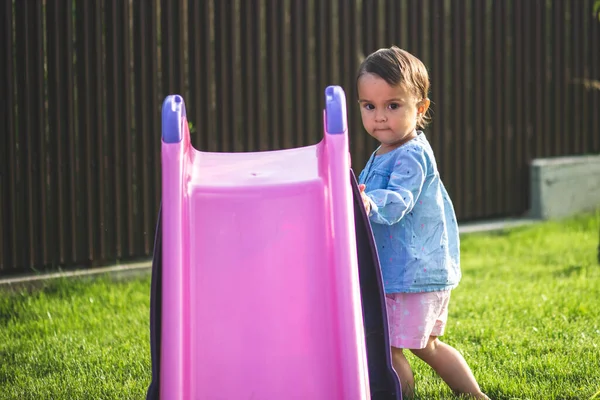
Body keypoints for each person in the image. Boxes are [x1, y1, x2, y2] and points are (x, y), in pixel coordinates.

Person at [356, 46, 489, 399]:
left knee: (398, 347)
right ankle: (474, 395)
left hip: (413, 273)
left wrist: (368, 201)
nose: (380, 117)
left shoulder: (412, 154)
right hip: (401, 271)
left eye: (393, 105)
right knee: (420, 345)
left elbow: (399, 199)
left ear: (421, 108)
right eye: (369, 106)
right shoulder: (384, 150)